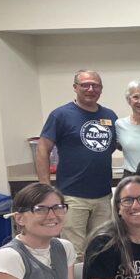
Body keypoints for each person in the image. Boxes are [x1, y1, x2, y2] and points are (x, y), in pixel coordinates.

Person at [36, 69, 119, 256]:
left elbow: (113, 145)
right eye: (85, 85)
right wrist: (45, 188)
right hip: (72, 196)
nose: (90, 89)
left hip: (103, 196)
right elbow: (42, 149)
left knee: (101, 248)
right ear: (75, 88)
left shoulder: (110, 116)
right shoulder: (61, 115)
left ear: (101, 89)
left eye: (95, 85)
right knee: (74, 251)